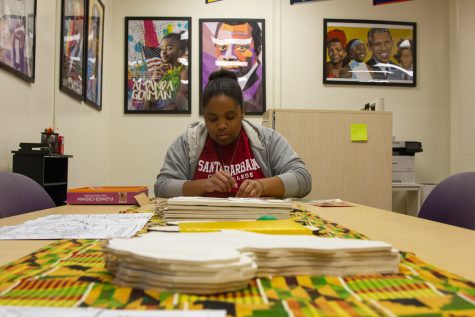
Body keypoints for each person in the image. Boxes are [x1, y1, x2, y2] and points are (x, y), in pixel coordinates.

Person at [155, 69, 312, 198]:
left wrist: (261, 186)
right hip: (203, 227)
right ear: (204, 116)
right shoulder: (188, 142)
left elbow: (303, 179)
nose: (222, 125)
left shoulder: (267, 139)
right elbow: (162, 187)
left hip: (256, 225)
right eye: (212, 118)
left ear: (243, 112)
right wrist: (204, 185)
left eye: (230, 117)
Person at [208, 21, 263, 113]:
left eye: (241, 48)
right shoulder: (210, 83)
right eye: (222, 47)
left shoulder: (263, 85)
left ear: (257, 52)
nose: (229, 56)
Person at [148, 32, 188, 110]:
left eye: (169, 48)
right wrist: (153, 81)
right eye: (162, 48)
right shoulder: (162, 72)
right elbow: (146, 105)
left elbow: (179, 106)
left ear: (180, 51)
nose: (163, 52)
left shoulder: (184, 72)